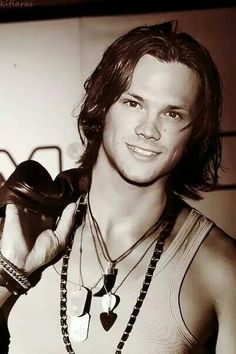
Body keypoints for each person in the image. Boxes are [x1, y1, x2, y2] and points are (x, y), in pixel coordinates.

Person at [0, 20, 235, 354]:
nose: (148, 130)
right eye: (133, 103)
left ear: (194, 133)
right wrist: (12, 274)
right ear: (102, 107)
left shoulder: (221, 268)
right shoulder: (22, 233)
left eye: (172, 114)